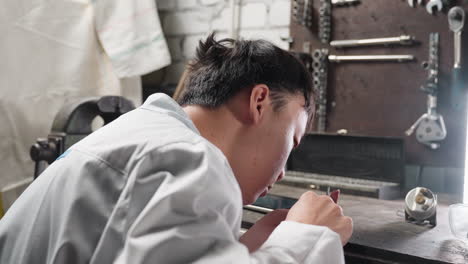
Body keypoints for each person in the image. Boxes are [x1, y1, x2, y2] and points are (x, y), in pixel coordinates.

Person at [0, 34, 353, 263]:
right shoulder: (188, 156)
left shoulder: (142, 134)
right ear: (259, 102)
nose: (282, 172)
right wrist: (308, 237)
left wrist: (245, 249)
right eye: (291, 140)